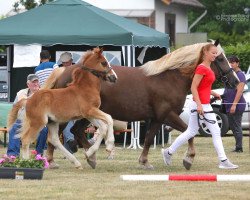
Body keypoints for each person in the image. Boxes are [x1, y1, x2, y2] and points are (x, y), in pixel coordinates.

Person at [161, 43, 238, 169]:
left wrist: (212, 92)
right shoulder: (201, 68)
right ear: (205, 53)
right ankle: (223, 161)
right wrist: (199, 105)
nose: (215, 55)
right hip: (200, 105)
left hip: (204, 103)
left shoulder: (208, 68)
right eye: (213, 53)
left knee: (191, 132)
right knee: (215, 132)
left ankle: (168, 152)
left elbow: (203, 86)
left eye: (216, 53)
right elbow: (193, 87)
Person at [7, 74, 48, 156]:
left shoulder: (44, 93)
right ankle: (13, 155)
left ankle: (38, 155)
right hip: (21, 120)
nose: (36, 84)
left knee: (44, 130)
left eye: (37, 82)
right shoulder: (20, 93)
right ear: (28, 84)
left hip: (37, 121)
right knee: (13, 128)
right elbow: (14, 108)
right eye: (33, 82)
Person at [223, 55, 246, 153]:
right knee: (232, 126)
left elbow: (239, 91)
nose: (231, 64)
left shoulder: (240, 75)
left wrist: (234, 105)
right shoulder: (231, 74)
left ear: (237, 63)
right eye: (229, 63)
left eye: (233, 62)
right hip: (229, 104)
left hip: (237, 104)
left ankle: (239, 148)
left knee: (236, 126)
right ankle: (237, 146)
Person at [57, 52, 78, 153]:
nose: (65, 64)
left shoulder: (76, 71)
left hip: (74, 100)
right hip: (65, 101)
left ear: (71, 61)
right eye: (64, 63)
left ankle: (69, 147)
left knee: (66, 122)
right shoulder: (59, 71)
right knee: (66, 122)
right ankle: (69, 148)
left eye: (67, 62)